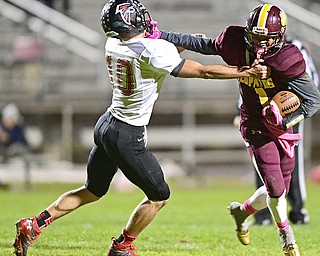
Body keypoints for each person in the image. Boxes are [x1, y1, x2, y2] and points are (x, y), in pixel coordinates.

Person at [12, 1, 269, 256]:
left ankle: (33, 224)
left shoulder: (113, 43)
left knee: (92, 190)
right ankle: (123, 245)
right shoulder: (151, 50)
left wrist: (180, 45)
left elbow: (153, 55)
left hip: (107, 124)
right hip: (127, 133)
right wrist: (246, 72)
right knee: (159, 196)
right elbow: (203, 71)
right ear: (131, 20)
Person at [153, 3, 320, 255]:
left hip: (280, 128)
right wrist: (160, 35)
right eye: (255, 37)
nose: (259, 45)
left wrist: (284, 119)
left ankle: (241, 212)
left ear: (279, 36)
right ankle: (286, 236)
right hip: (254, 125)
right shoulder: (235, 41)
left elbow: (313, 101)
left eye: (266, 39)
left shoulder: (288, 58)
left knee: (278, 192)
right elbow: (203, 45)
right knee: (275, 189)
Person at [252, 36, 319, 225]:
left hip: (289, 111)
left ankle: (297, 210)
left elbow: (312, 79)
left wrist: (293, 100)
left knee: (292, 160)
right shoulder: (251, 49)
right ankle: (263, 214)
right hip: (260, 111)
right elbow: (247, 83)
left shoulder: (295, 47)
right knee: (262, 160)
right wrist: (238, 109)